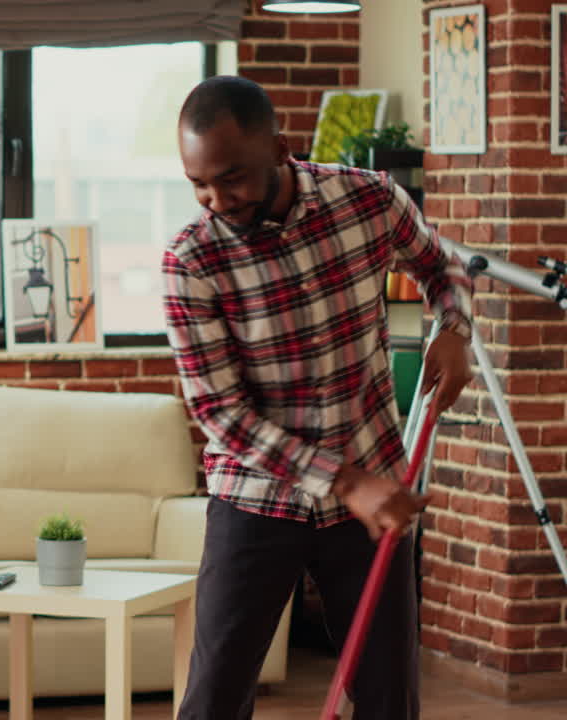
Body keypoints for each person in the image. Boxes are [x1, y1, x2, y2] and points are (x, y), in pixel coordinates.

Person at [163, 75, 473, 719]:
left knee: (389, 698)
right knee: (214, 697)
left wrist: (454, 327)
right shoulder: (192, 261)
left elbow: (440, 264)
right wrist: (345, 480)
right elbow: (221, 414)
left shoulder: (368, 201)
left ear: (282, 147)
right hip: (256, 499)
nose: (217, 199)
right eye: (199, 184)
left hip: (370, 502)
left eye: (232, 178)